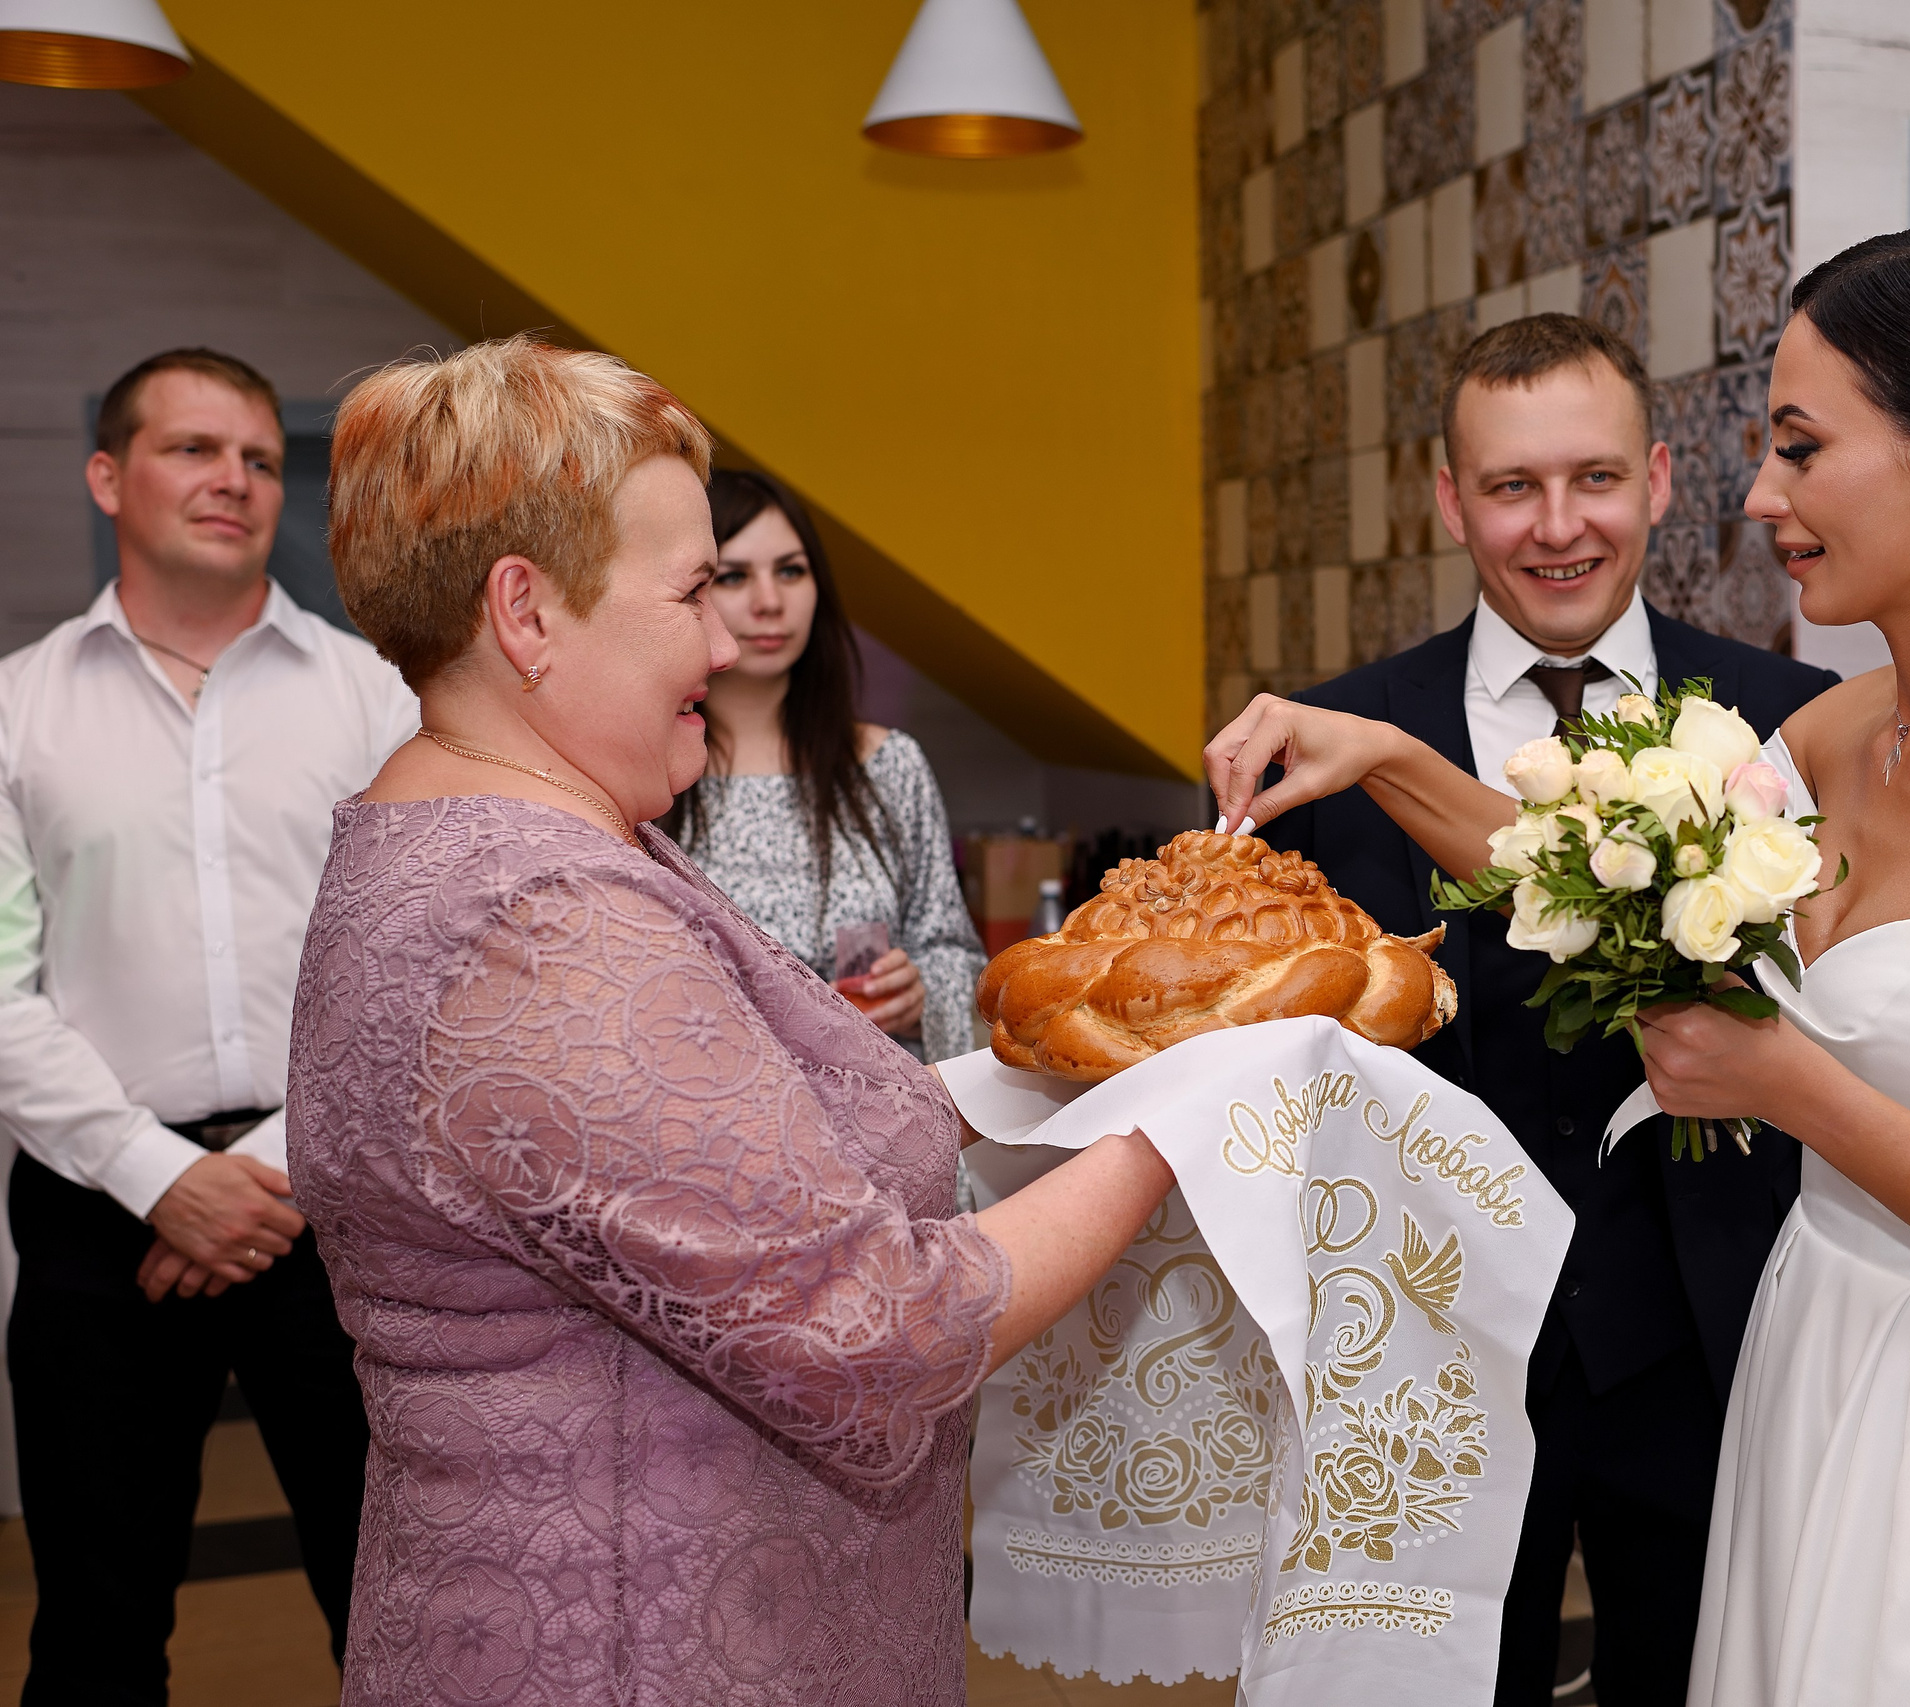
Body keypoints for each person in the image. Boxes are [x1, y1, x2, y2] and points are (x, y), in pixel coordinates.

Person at [1209, 217, 1910, 1707]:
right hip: (1808, 1379)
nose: (1759, 495)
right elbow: (1596, 882)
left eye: (1802, 448)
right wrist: (1388, 755)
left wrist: (1791, 1085)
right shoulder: (1834, 731)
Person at [293, 334, 1176, 1706]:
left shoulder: (535, 830)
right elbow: (875, 1331)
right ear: (526, 613)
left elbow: (759, 1143)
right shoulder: (540, 921)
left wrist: (1062, 1084)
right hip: (635, 1650)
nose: (727, 638)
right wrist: (1175, 1130)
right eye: (694, 588)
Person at [1220, 313, 1837, 1706]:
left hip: (1710, 1335)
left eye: (1595, 477)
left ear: (1658, 478)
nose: (1558, 526)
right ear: (1451, 500)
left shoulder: (1796, 719)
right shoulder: (1323, 744)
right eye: (1512, 486)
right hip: (1417, 1358)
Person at [0, 349, 409, 1701]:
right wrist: (158, 1175)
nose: (233, 478)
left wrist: (266, 1168)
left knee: (397, 1604)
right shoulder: (16, 708)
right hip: (93, 1212)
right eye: (192, 448)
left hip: (340, 1198)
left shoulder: (378, 697)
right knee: (95, 1628)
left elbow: (415, 968)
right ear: (106, 476)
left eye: (258, 458)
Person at [662, 468, 984, 1063]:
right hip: (724, 1100)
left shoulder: (887, 765)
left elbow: (954, 952)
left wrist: (921, 991)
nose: (770, 602)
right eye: (734, 576)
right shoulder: (653, 768)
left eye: (791, 571)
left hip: (885, 1096)